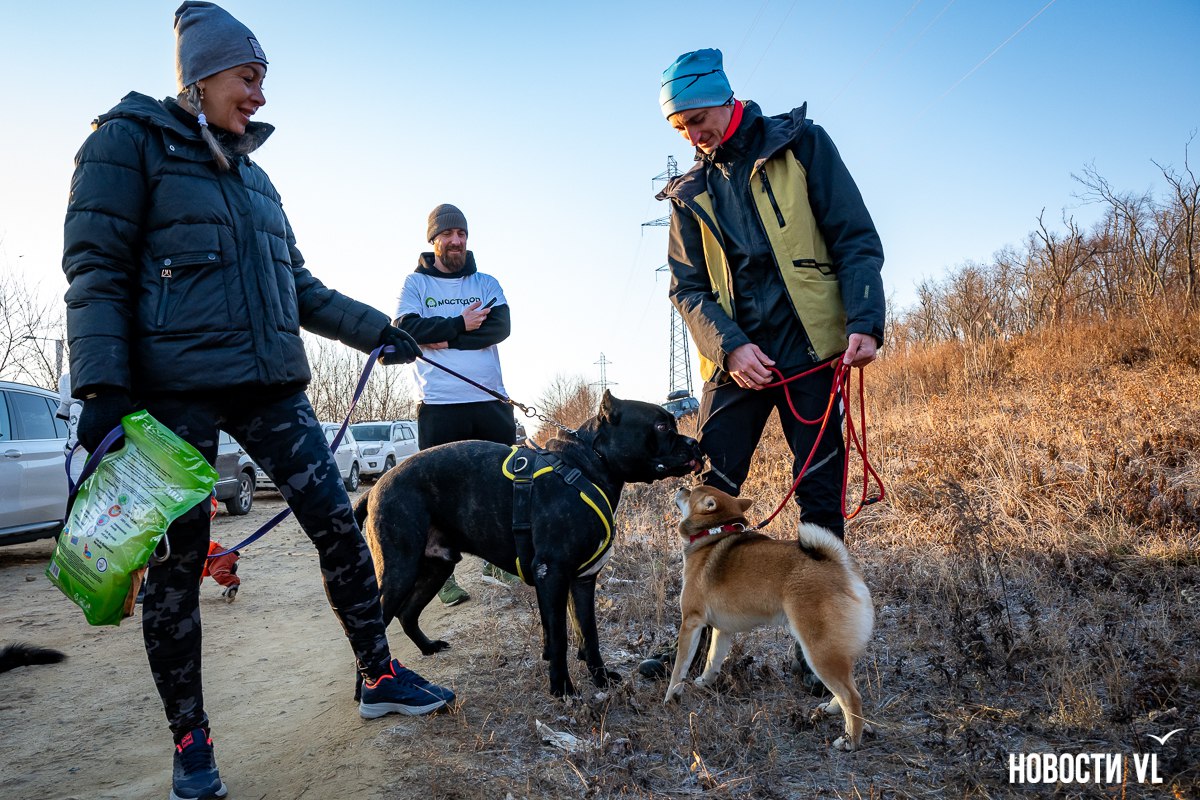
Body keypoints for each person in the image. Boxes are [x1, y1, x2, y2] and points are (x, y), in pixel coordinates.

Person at [61, 5, 454, 799]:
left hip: (272, 385)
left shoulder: (256, 180)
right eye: (249, 79)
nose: (260, 98)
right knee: (177, 571)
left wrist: (378, 329)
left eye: (263, 81)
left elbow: (299, 288)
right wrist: (101, 390)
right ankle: (191, 741)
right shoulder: (125, 144)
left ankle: (377, 676)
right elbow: (95, 270)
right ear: (200, 76)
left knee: (343, 528)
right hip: (173, 398)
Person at [640, 48, 885, 682]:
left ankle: (820, 642)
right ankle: (696, 633)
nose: (693, 135)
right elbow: (686, 290)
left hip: (808, 350)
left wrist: (863, 319)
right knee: (710, 487)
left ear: (725, 96)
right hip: (736, 362)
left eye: (697, 118)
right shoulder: (685, 194)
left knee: (819, 495)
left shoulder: (800, 143)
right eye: (680, 127)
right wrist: (730, 348)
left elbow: (854, 234)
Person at [394, 204, 520, 605]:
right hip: (439, 405)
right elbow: (406, 330)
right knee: (436, 496)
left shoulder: (485, 282)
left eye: (461, 234)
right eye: (448, 234)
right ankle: (441, 575)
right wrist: (462, 326)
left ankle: (499, 563)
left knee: (504, 486)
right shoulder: (416, 285)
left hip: (490, 400)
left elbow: (500, 327)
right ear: (433, 240)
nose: (456, 241)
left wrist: (442, 338)